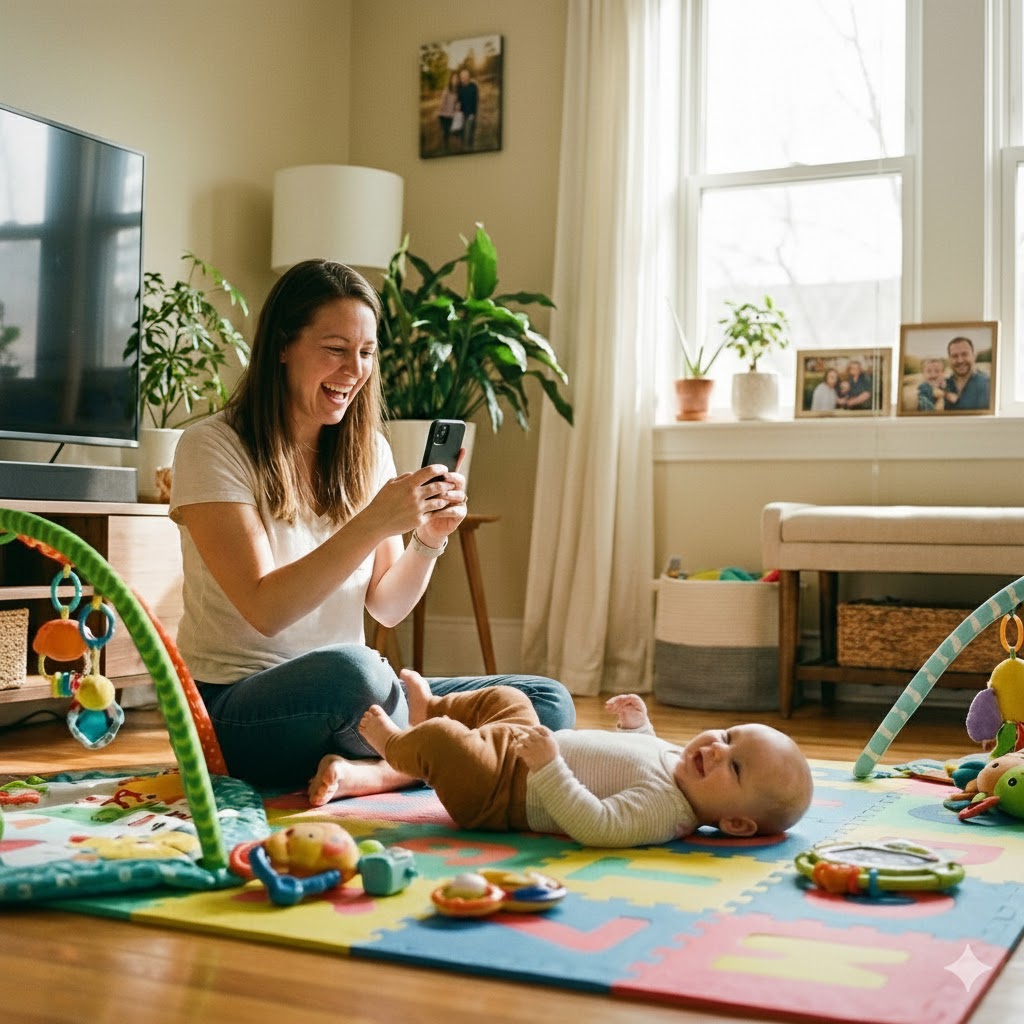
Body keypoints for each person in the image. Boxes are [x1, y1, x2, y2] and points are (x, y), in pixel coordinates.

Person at [169, 259, 575, 793]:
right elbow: (266, 610)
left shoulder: (368, 452)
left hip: (358, 703)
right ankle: (418, 760)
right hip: (236, 710)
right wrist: (371, 523)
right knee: (357, 674)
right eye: (335, 350)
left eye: (365, 353)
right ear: (283, 346)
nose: (353, 370)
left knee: (546, 703)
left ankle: (378, 772)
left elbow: (385, 604)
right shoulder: (210, 446)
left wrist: (429, 539)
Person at [323, 669, 814, 846]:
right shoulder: (682, 764)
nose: (716, 747)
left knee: (449, 743)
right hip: (524, 748)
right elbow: (635, 754)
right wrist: (637, 726)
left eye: (734, 765)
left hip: (498, 791)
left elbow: (598, 824)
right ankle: (431, 708)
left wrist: (550, 767)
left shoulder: (667, 812)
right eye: (727, 735)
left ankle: (395, 747)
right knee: (508, 698)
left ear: (736, 824)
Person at [943, 336, 990, 411]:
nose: (960, 360)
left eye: (964, 354)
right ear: (949, 359)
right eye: (954, 356)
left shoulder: (987, 384)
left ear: (974, 356)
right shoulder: (944, 385)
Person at [456, 67, 479, 150]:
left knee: (470, 133)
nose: (463, 78)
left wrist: (473, 114)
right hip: (461, 114)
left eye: (465, 76)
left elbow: (475, 101)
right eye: (461, 76)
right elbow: (458, 99)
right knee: (462, 132)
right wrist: (458, 105)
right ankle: (463, 147)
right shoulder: (459, 87)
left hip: (470, 114)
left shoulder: (473, 86)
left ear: (468, 76)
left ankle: (470, 148)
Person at [436, 72, 460, 152]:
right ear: (451, 79)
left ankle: (447, 146)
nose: (455, 80)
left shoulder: (457, 91)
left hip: (451, 115)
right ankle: (446, 148)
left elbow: (457, 103)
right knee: (445, 132)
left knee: (448, 131)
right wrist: (440, 112)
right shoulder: (447, 89)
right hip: (443, 114)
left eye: (456, 78)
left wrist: (455, 112)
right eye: (453, 78)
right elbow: (442, 101)